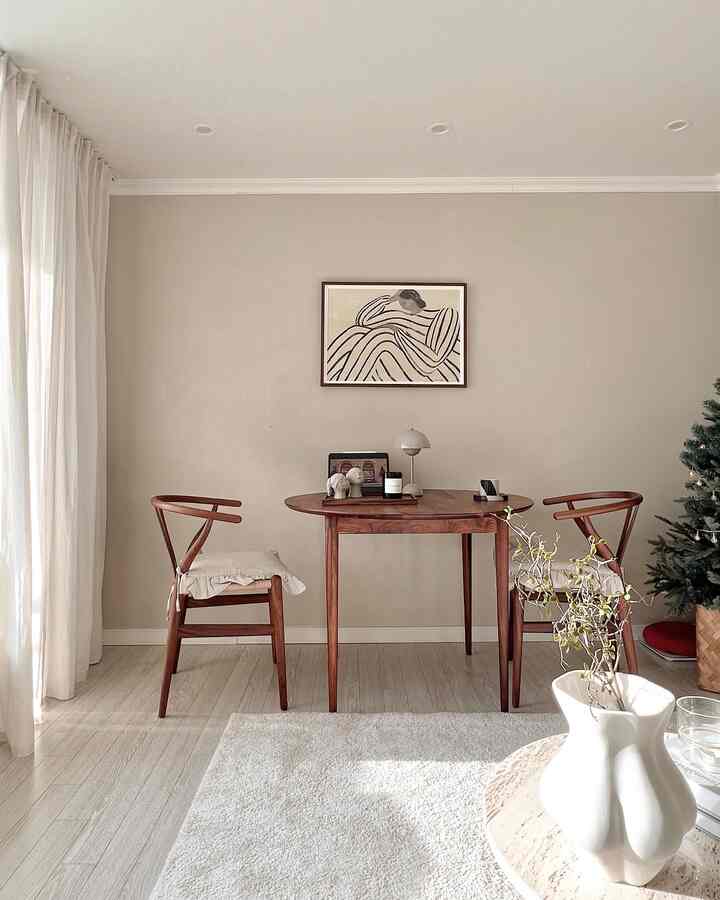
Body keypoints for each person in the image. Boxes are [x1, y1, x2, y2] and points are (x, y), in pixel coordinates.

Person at [325, 288, 461, 384]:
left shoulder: (445, 314)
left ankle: (345, 383)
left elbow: (431, 362)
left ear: (415, 298)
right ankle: (329, 377)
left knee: (383, 336)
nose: (403, 306)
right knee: (355, 332)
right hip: (404, 364)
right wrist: (390, 299)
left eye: (405, 302)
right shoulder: (400, 317)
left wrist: (397, 333)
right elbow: (362, 321)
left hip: (437, 374)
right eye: (400, 303)